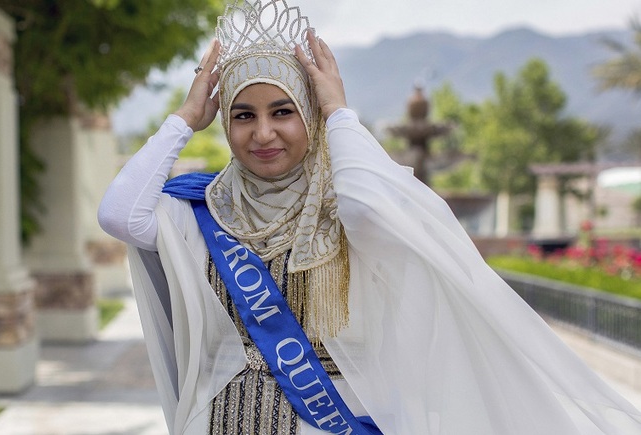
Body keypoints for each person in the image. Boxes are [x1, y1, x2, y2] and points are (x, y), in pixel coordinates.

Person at [99, 1, 641, 433]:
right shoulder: (202, 209)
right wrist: (185, 117)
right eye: (244, 116)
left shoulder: (348, 209)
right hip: (225, 421)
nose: (262, 133)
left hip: (338, 416)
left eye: (284, 111)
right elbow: (121, 214)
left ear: (308, 114)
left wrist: (337, 111)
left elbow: (371, 207)